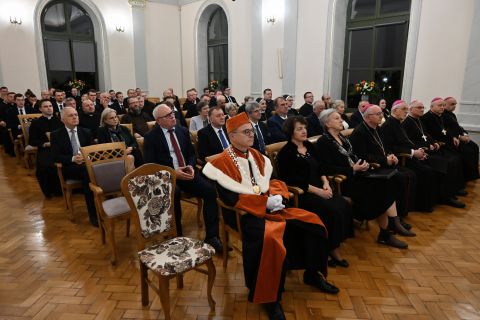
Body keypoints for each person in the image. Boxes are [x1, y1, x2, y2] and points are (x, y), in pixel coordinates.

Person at [203, 112, 337, 320]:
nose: (252, 135)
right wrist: (263, 203)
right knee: (270, 238)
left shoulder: (256, 155)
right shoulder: (221, 162)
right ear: (232, 136)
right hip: (244, 214)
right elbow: (231, 199)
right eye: (246, 132)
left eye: (251, 131)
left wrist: (276, 195)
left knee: (313, 222)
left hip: (270, 207)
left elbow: (274, 181)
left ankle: (312, 273)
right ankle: (268, 297)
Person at [316, 109, 411, 249]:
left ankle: (388, 230)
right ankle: (387, 231)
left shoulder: (341, 137)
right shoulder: (323, 141)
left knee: (388, 183)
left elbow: (353, 156)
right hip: (344, 181)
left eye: (340, 118)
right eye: (337, 118)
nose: (341, 120)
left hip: (358, 174)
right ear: (327, 123)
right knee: (381, 189)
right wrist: (352, 169)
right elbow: (326, 168)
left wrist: (361, 164)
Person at [143, 104, 223, 253]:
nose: (173, 116)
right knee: (175, 193)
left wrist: (191, 166)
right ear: (158, 120)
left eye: (172, 113)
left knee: (210, 191)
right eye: (168, 116)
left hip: (187, 173)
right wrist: (173, 173)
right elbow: (150, 165)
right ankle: (177, 236)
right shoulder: (150, 137)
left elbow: (191, 154)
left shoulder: (182, 130)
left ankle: (212, 236)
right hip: (166, 178)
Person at [277, 116, 353, 267]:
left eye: (304, 128)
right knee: (330, 211)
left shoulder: (310, 146)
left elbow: (321, 167)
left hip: (320, 187)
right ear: (291, 132)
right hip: (302, 194)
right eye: (299, 129)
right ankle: (331, 250)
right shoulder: (286, 153)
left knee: (343, 205)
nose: (304, 131)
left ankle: (332, 245)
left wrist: (326, 183)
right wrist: (318, 191)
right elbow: (292, 181)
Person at [349, 104, 417, 234]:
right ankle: (393, 221)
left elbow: (385, 147)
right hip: (370, 169)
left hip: (383, 164)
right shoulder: (359, 132)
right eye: (378, 114)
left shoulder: (377, 129)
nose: (382, 116)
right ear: (368, 117)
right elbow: (363, 156)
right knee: (397, 178)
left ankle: (396, 218)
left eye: (381, 113)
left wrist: (390, 154)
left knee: (404, 176)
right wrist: (384, 160)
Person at [380, 100, 458, 211]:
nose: (406, 112)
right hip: (404, 158)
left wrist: (418, 150)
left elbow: (407, 141)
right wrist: (413, 153)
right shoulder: (388, 125)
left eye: (407, 109)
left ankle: (438, 198)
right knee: (427, 171)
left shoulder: (398, 122)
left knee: (438, 166)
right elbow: (391, 148)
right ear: (395, 110)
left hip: (412, 154)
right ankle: (422, 205)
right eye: (404, 109)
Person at [402, 100, 467, 206]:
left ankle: (449, 192)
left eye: (423, 107)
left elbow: (426, 134)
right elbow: (409, 141)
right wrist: (427, 146)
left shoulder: (419, 120)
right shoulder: (406, 122)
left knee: (453, 160)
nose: (422, 109)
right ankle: (445, 196)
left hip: (430, 150)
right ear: (411, 109)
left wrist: (434, 142)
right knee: (446, 163)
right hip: (421, 153)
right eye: (419, 107)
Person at [50, 107, 97, 226]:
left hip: (86, 165)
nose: (75, 117)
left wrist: (86, 157)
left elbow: (93, 151)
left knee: (93, 171)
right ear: (62, 119)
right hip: (69, 167)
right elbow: (55, 157)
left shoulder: (86, 131)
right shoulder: (56, 135)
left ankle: (106, 206)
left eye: (76, 114)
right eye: (71, 115)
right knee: (89, 173)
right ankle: (94, 215)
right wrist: (73, 158)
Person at [29, 99, 63, 197]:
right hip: (45, 149)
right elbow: (32, 141)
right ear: (40, 109)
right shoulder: (36, 123)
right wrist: (45, 144)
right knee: (45, 166)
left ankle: (65, 188)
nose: (49, 108)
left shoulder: (59, 120)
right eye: (46, 106)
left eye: (50, 106)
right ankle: (50, 191)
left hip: (60, 148)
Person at [443, 96, 479, 180]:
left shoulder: (452, 114)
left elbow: (458, 127)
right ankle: (467, 176)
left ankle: (473, 173)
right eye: (452, 104)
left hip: (460, 137)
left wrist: (465, 133)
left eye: (455, 104)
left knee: (475, 146)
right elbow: (446, 130)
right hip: (452, 140)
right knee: (467, 151)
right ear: (445, 104)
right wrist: (459, 137)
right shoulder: (442, 115)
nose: (454, 106)